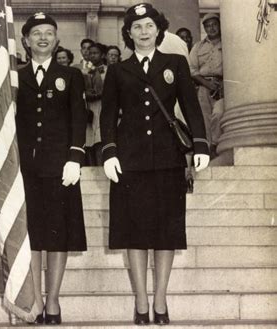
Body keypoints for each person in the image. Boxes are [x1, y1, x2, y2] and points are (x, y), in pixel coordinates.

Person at [100, 3, 210, 325]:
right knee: (134, 232)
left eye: (149, 26)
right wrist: (109, 152)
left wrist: (200, 145)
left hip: (167, 159)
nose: (144, 32)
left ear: (158, 30)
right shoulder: (118, 70)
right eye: (137, 27)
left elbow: (190, 106)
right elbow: (108, 114)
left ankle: (160, 300)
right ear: (129, 33)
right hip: (129, 162)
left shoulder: (175, 63)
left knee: (166, 233)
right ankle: (141, 300)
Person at [17, 12, 87, 325]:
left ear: (57, 40)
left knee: (58, 235)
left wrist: (75, 157)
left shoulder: (71, 75)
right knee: (32, 235)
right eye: (36, 33)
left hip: (61, 166)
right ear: (26, 41)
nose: (43, 38)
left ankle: (54, 299)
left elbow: (78, 118)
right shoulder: (14, 76)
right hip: (27, 167)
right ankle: (34, 298)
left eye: (49, 33)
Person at [189, 13, 224, 157]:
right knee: (205, 118)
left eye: (214, 24)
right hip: (203, 86)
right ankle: (210, 150)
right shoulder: (198, 47)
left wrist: (221, 85)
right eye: (208, 26)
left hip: (222, 86)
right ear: (204, 28)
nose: (212, 28)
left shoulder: (227, 44)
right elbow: (191, 69)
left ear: (219, 25)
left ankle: (216, 143)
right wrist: (207, 84)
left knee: (218, 113)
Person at [84, 42, 107, 166]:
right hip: (89, 107)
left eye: (96, 53)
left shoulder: (107, 70)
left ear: (102, 55)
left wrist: (99, 94)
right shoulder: (85, 70)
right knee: (88, 139)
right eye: (90, 53)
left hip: (102, 106)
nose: (93, 56)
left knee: (99, 138)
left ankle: (101, 165)